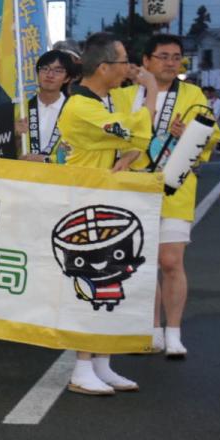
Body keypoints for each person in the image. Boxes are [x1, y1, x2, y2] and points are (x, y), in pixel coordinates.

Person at [111, 34, 219, 358]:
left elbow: (212, 132)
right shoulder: (124, 95)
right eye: (163, 56)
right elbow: (113, 133)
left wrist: (191, 134)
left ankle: (174, 331)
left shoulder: (192, 94)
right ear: (146, 61)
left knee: (171, 261)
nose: (171, 63)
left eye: (176, 57)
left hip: (175, 186)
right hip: (133, 186)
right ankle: (151, 328)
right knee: (141, 262)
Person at [57, 32, 152, 395]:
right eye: (123, 61)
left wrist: (130, 155)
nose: (129, 67)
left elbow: (135, 142)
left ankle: (101, 363)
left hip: (101, 200)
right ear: (103, 67)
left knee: (111, 282)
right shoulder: (82, 106)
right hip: (83, 202)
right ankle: (82, 367)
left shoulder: (101, 101)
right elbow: (135, 131)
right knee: (92, 281)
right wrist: (151, 90)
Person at [16, 50, 73, 163]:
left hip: (59, 173)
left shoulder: (74, 110)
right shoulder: (20, 109)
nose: (50, 75)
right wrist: (15, 136)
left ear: (67, 78)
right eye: (45, 68)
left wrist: (45, 160)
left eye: (58, 71)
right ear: (37, 73)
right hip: (23, 172)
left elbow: (79, 153)